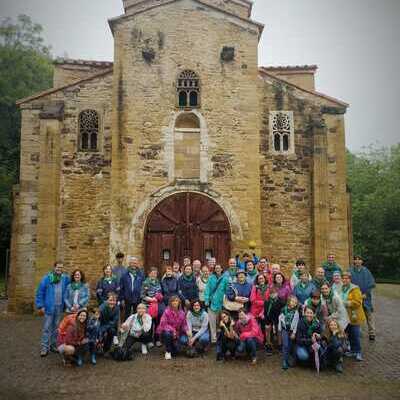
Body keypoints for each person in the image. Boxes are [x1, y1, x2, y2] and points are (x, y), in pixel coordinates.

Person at [35, 261, 70, 357]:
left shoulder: (65, 278)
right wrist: (40, 305)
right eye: (58, 267)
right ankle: (44, 347)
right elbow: (40, 292)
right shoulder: (47, 278)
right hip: (49, 306)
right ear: (54, 268)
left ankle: (53, 345)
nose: (59, 269)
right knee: (47, 327)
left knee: (56, 327)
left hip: (59, 306)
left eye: (61, 267)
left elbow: (72, 285)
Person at [350, 255, 376, 340]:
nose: (357, 261)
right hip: (355, 297)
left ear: (362, 261)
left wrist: (366, 293)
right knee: (356, 316)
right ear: (354, 261)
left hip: (365, 297)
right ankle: (358, 333)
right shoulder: (350, 271)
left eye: (359, 260)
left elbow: (371, 283)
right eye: (355, 260)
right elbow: (347, 283)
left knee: (369, 316)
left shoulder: (366, 271)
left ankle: (372, 332)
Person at [341, 272, 366, 361]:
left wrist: (346, 303)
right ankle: (352, 351)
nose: (344, 280)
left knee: (355, 335)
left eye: (346, 278)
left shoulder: (355, 289)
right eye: (343, 278)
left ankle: (358, 352)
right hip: (346, 316)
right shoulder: (342, 288)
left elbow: (358, 302)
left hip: (354, 315)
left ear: (350, 279)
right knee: (350, 335)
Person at [157, 296, 191, 360]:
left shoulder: (182, 313)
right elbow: (163, 324)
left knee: (176, 352)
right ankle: (168, 351)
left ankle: (174, 346)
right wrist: (173, 330)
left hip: (177, 334)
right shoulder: (166, 311)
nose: (175, 302)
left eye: (176, 301)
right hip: (166, 333)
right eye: (173, 301)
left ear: (179, 303)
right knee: (168, 334)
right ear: (170, 303)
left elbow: (184, 324)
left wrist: (187, 330)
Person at [204, 264, 229, 343]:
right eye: (216, 268)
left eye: (219, 268)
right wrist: (207, 300)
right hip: (211, 303)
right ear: (214, 270)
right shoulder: (211, 278)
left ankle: (220, 339)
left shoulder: (225, 279)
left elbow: (227, 290)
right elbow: (207, 289)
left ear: (222, 269)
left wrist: (226, 301)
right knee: (212, 322)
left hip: (221, 304)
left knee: (220, 322)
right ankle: (213, 339)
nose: (218, 269)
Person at [141, 267, 164, 346]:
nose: (154, 275)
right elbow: (142, 296)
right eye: (153, 273)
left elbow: (160, 292)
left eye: (155, 273)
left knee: (157, 323)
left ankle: (157, 339)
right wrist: (151, 299)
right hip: (148, 306)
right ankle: (149, 341)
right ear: (149, 273)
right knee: (150, 323)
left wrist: (159, 296)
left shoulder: (158, 282)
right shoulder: (145, 283)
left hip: (157, 306)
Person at [278, 295, 300, 370]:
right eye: (292, 301)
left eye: (295, 302)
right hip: (284, 330)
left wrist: (294, 332)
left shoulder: (296, 312)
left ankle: (288, 359)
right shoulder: (283, 309)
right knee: (285, 345)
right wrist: (279, 329)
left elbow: (296, 323)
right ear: (289, 301)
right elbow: (280, 319)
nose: (294, 303)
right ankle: (284, 360)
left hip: (291, 331)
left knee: (290, 345)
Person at [264, 287, 285, 355]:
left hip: (278, 319)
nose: (273, 295)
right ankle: (268, 346)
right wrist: (267, 322)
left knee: (279, 331)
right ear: (269, 294)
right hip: (269, 318)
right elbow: (266, 312)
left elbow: (282, 312)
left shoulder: (281, 301)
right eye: (271, 294)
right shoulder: (267, 302)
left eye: (274, 293)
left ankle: (280, 346)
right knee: (267, 330)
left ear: (277, 293)